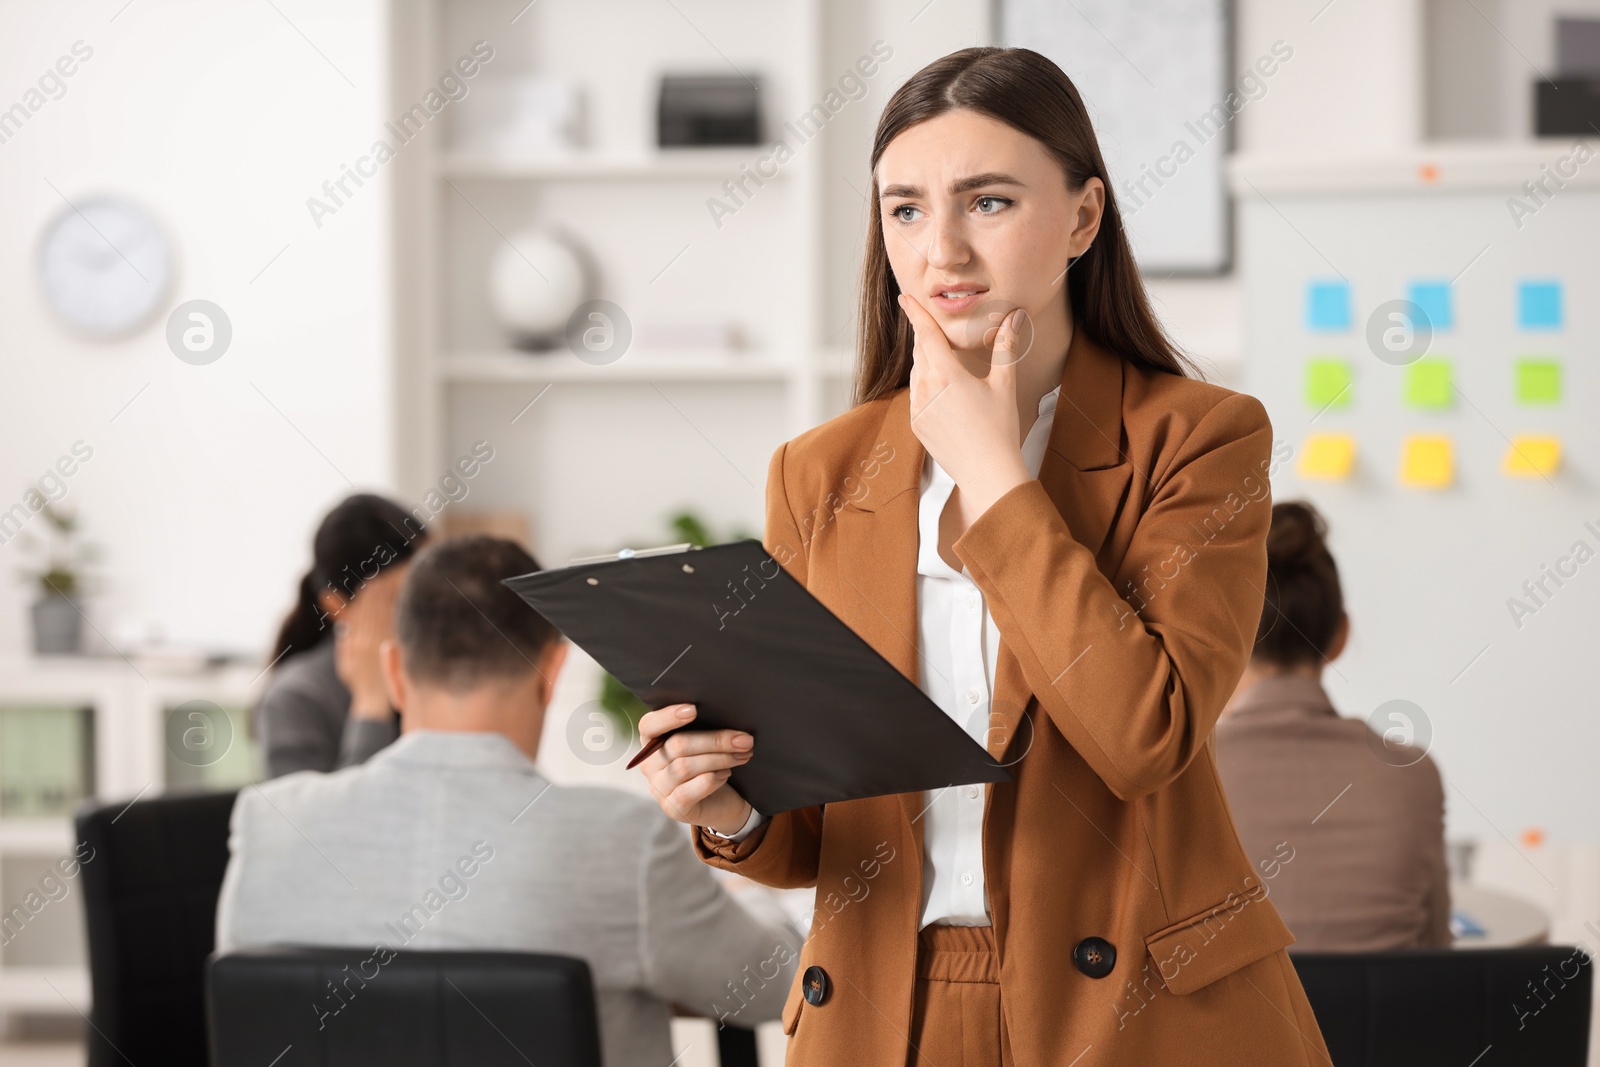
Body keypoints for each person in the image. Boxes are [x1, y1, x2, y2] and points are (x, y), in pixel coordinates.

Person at [631, 46, 1331, 1067]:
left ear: (1083, 218)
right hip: (884, 1012)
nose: (941, 249)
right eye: (904, 208)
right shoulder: (818, 472)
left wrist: (992, 475)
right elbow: (814, 835)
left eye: (988, 202)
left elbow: (1143, 733)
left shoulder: (1199, 437)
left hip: (1136, 1013)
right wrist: (729, 803)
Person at [216, 535, 800, 1067]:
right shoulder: (622, 840)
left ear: (394, 671)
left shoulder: (270, 823)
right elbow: (779, 985)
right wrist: (747, 867)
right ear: (552, 670)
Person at [1215, 501, 1452, 951]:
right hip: (1387, 1023)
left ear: (1227, 634)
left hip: (1247, 1022)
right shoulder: (1414, 774)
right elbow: (1435, 952)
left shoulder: (1182, 776)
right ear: (1340, 636)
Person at [254, 493, 425, 777]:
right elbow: (330, 820)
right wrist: (371, 700)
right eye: (401, 597)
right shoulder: (295, 699)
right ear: (337, 605)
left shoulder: (428, 673)